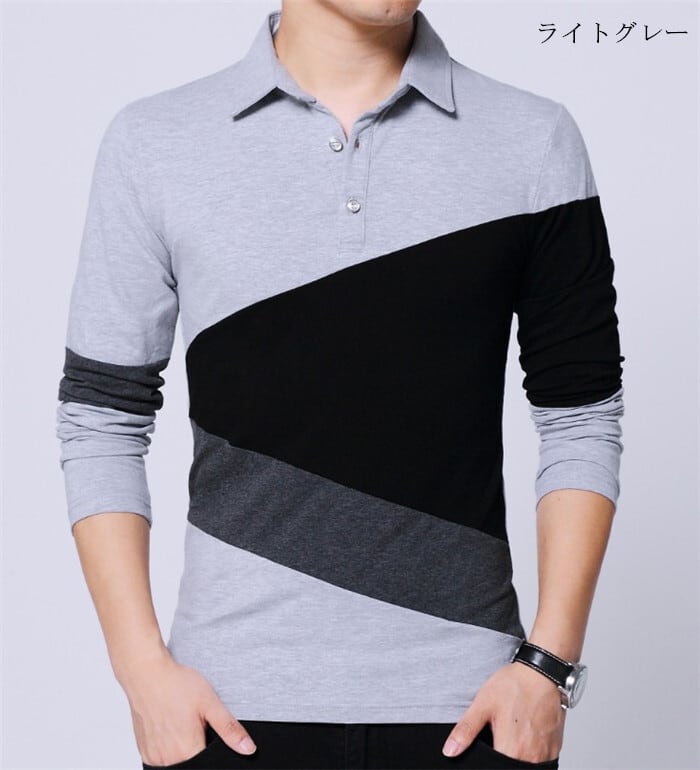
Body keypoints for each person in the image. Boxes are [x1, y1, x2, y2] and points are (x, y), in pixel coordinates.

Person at [55, 1, 625, 768]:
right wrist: (141, 672)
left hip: (473, 714)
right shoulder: (155, 141)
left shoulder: (532, 137)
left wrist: (548, 669)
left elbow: (582, 415)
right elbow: (101, 416)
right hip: (229, 712)